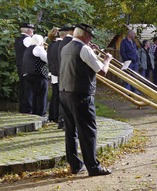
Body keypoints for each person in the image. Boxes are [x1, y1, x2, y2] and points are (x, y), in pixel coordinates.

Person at [59, 23, 112, 176]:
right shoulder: (84, 48)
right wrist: (107, 58)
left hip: (65, 92)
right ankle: (93, 167)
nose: (90, 40)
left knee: (71, 131)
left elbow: (79, 63)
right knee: (88, 131)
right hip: (80, 95)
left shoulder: (66, 47)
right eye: (89, 37)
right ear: (84, 36)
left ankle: (75, 165)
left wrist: (92, 52)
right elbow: (102, 71)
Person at [21, 34, 49, 116]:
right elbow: (47, 59)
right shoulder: (38, 48)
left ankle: (32, 112)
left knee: (32, 95)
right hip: (39, 75)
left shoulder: (28, 49)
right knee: (41, 96)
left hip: (28, 74)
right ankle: (41, 113)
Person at [16, 23, 34, 114]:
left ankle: (22, 108)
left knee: (23, 88)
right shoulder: (27, 39)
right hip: (27, 67)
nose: (33, 31)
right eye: (32, 29)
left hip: (20, 65)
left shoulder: (18, 39)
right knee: (28, 89)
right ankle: (27, 109)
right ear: (28, 30)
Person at [47, 27, 62, 123]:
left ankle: (52, 115)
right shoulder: (59, 45)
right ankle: (57, 115)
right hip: (58, 72)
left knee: (55, 94)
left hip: (53, 71)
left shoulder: (50, 45)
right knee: (58, 95)